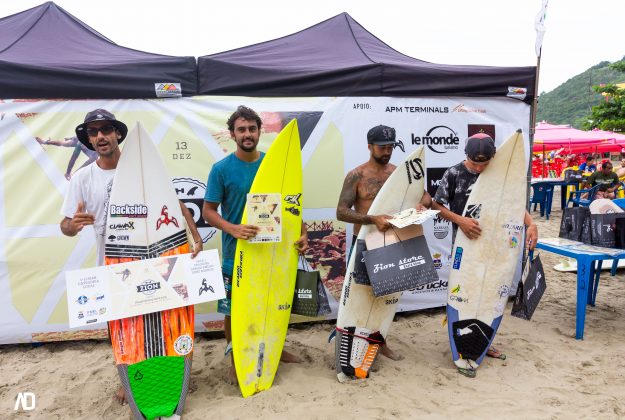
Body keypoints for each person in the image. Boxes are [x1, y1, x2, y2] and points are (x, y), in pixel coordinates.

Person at [60, 109, 203, 404]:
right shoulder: (83, 178)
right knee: (123, 329)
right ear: (88, 139)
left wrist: (196, 236)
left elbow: (174, 202)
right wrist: (71, 226)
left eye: (106, 129)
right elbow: (65, 224)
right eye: (94, 132)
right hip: (114, 264)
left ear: (117, 134)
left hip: (156, 260)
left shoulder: (143, 167)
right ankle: (130, 382)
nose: (101, 136)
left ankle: (172, 376)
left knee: (162, 321)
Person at [201, 105, 308, 384]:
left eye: (252, 129)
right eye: (241, 129)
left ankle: (275, 348)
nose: (247, 134)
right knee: (232, 309)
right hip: (237, 254)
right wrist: (233, 228)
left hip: (272, 252)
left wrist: (303, 233)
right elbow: (208, 211)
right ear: (232, 134)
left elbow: (291, 207)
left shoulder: (273, 166)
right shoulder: (221, 169)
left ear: (259, 131)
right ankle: (236, 355)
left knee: (272, 304)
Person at [429, 133, 538, 378]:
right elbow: (437, 205)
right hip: (465, 248)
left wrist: (531, 224)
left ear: (493, 157)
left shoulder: (499, 174)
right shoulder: (454, 173)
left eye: (484, 163)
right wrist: (461, 221)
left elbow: (512, 204)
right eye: (474, 163)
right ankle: (462, 344)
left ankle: (484, 344)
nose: (479, 168)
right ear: (465, 155)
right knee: (465, 294)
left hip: (496, 247)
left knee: (490, 294)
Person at [336, 124, 408, 362]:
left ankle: (380, 343)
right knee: (361, 296)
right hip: (364, 243)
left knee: (384, 298)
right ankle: (356, 345)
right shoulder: (357, 175)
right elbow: (341, 212)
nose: (387, 151)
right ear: (369, 146)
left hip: (390, 242)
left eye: (390, 147)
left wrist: (421, 204)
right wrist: (371, 219)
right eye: (382, 147)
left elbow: (423, 197)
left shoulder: (398, 174)